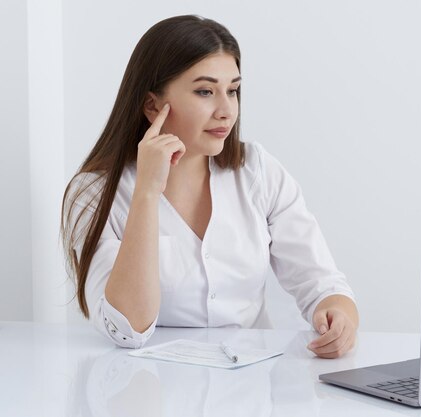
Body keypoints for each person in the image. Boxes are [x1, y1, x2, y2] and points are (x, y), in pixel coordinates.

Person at [61, 15, 358, 359]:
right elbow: (128, 328)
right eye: (205, 91)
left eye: (232, 90)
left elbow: (321, 282)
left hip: (251, 387)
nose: (226, 111)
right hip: (146, 390)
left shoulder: (257, 171)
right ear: (152, 105)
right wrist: (146, 193)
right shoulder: (95, 193)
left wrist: (338, 313)